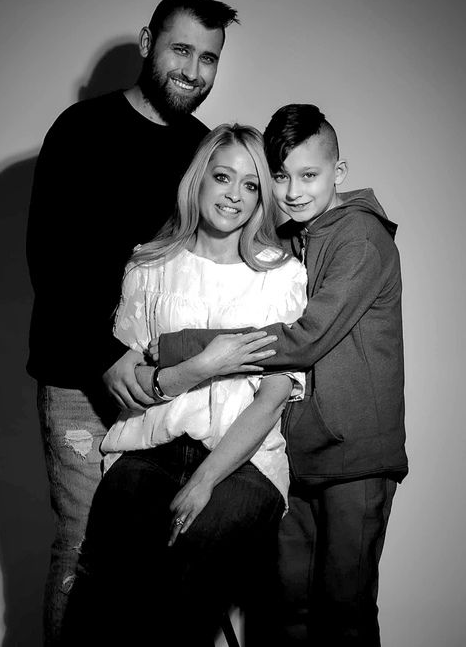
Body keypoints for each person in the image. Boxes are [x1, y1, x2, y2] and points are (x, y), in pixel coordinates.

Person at [26, 0, 242, 644]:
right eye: (182, 50)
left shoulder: (205, 150)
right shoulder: (81, 130)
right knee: (84, 546)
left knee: (157, 555)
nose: (194, 71)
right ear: (148, 45)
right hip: (80, 381)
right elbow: (50, 259)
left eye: (208, 58)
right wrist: (105, 356)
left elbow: (214, 262)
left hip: (164, 387)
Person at [157, 104, 408, 645]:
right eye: (280, 176)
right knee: (285, 612)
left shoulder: (360, 240)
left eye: (308, 175)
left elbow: (305, 338)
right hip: (300, 454)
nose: (293, 191)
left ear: (339, 173)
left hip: (356, 457)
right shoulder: (294, 240)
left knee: (344, 613)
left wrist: (181, 348)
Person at [62, 124, 307, 647]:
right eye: (223, 177)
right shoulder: (149, 265)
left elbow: (273, 398)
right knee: (107, 580)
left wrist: (204, 481)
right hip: (150, 449)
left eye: (251, 185)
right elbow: (129, 384)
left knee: (191, 565)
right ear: (199, 180)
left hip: (243, 461)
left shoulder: (282, 276)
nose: (234, 195)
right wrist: (204, 365)